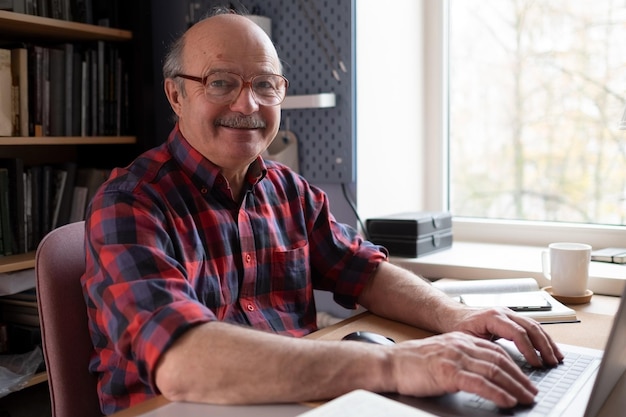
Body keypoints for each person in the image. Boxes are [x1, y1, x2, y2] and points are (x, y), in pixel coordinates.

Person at [81, 8, 563, 416]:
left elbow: (365, 272)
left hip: (298, 395)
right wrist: (395, 366)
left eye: (265, 85)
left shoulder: (289, 191)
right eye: (221, 82)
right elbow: (182, 361)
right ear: (176, 95)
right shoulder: (129, 202)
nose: (247, 103)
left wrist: (452, 315)